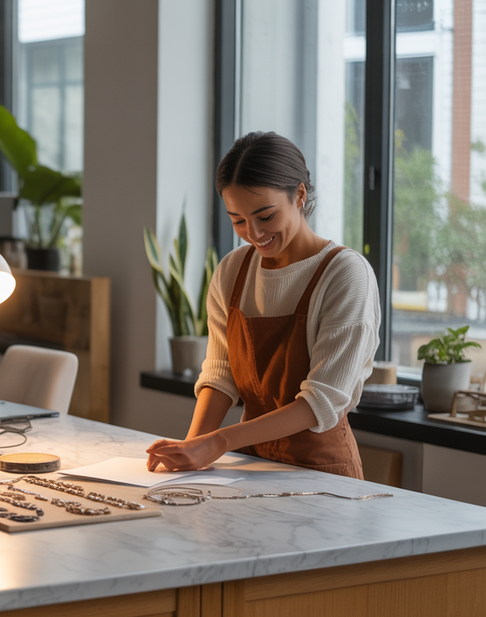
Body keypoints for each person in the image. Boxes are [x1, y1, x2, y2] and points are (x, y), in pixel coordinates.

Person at [146, 131, 380, 479]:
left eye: (265, 216)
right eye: (237, 220)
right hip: (250, 464)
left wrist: (218, 441)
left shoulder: (345, 274)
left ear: (299, 195)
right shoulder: (232, 270)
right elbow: (220, 374)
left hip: (323, 473)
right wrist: (191, 449)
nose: (253, 233)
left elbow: (322, 400)